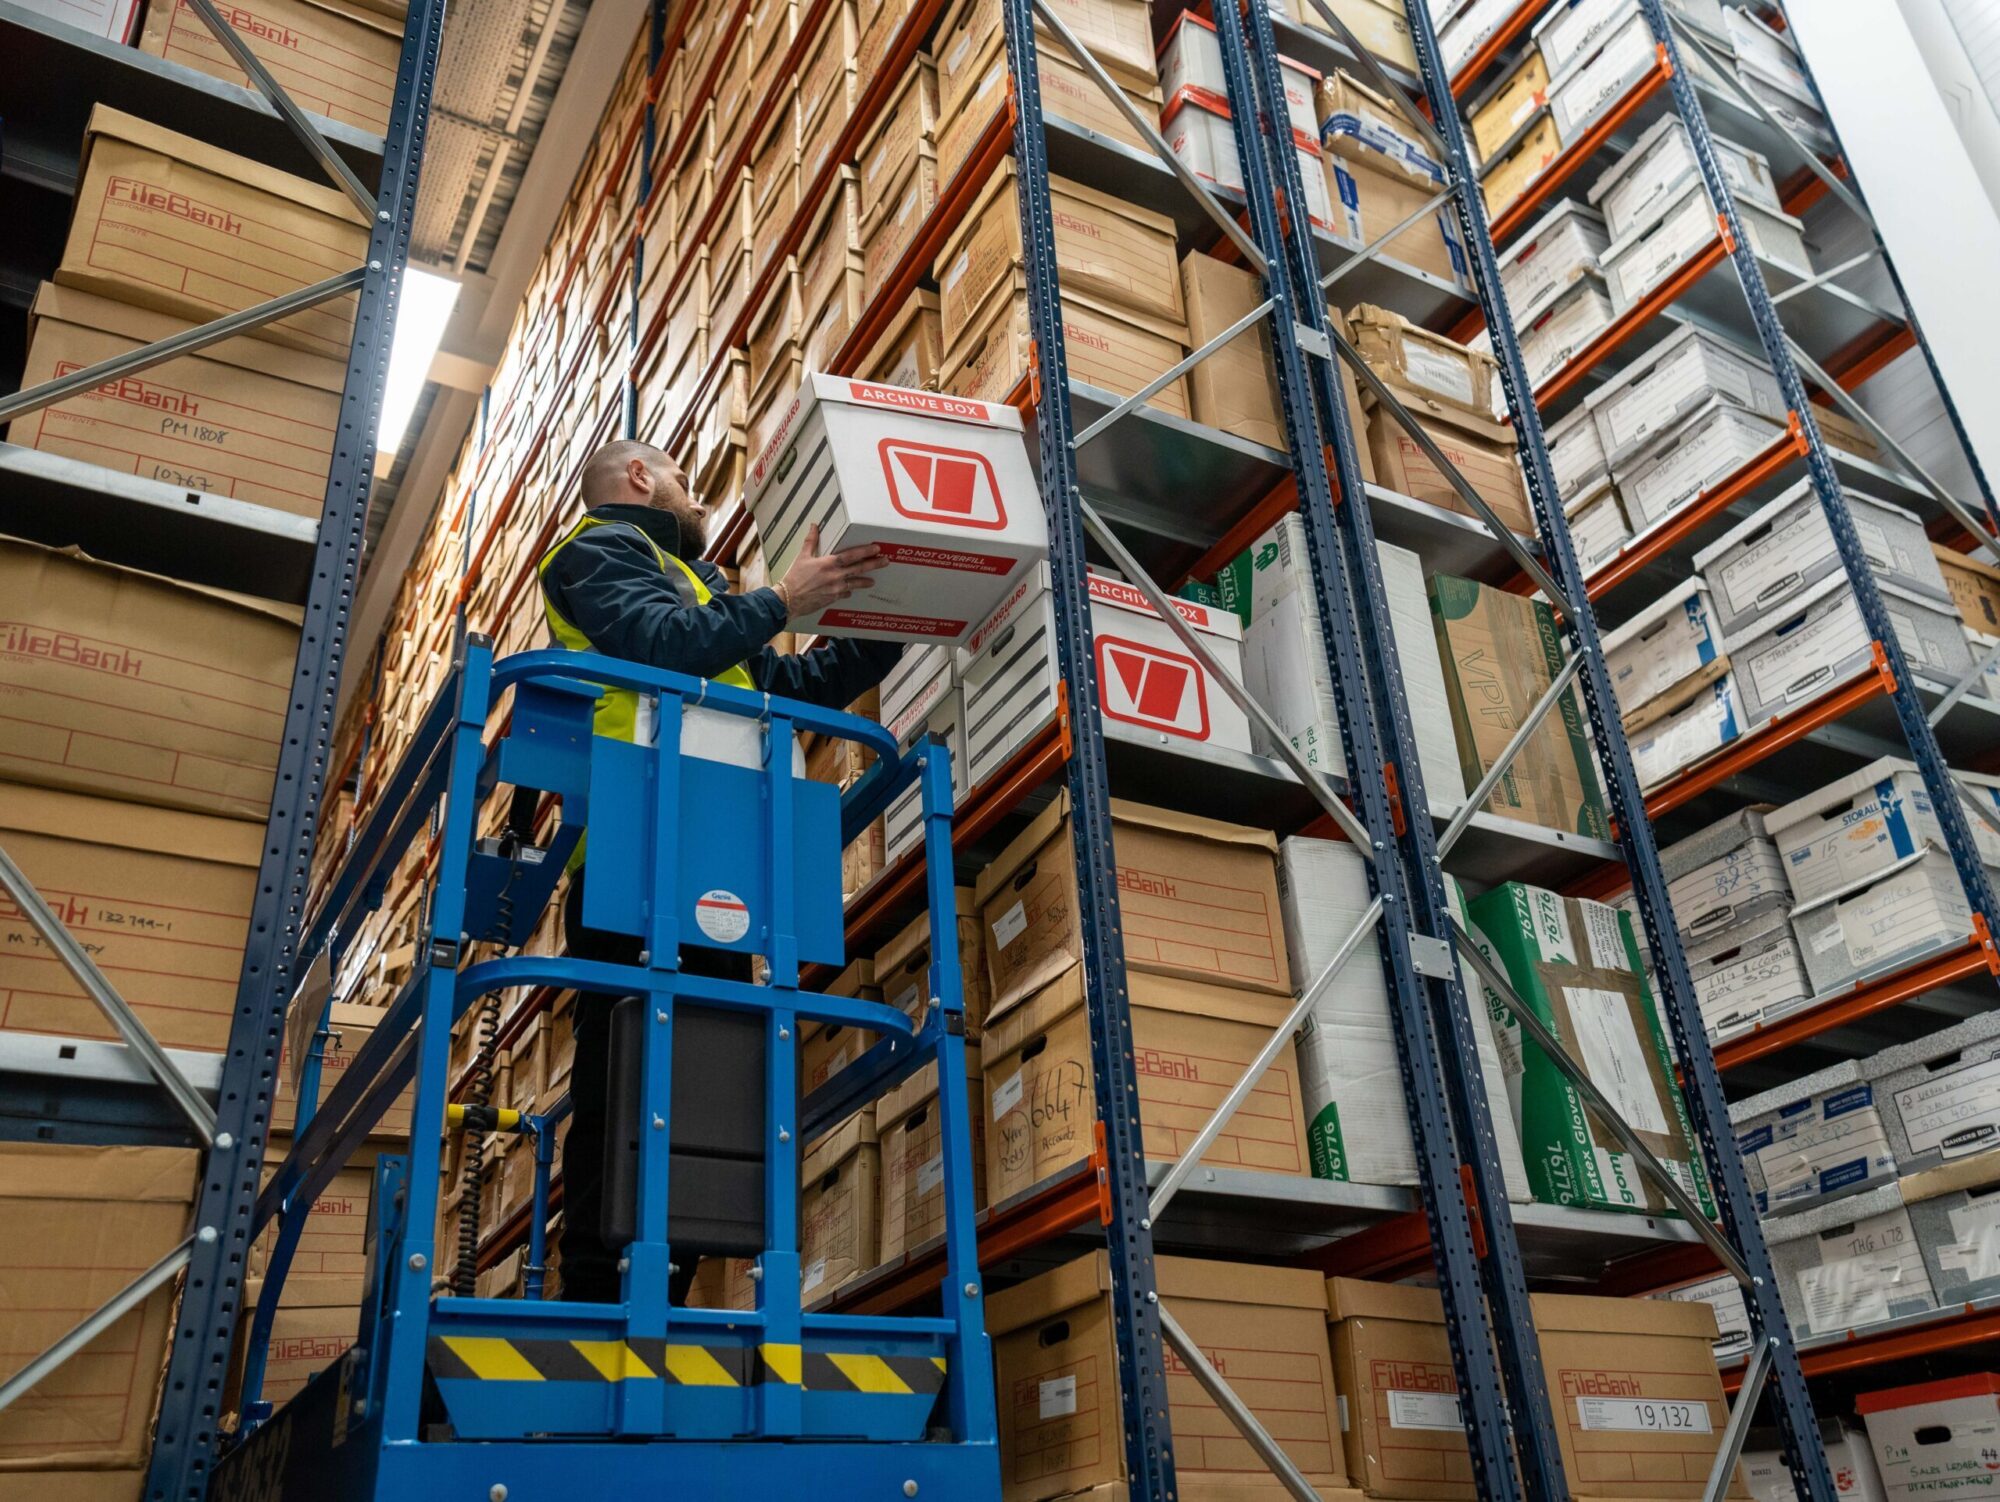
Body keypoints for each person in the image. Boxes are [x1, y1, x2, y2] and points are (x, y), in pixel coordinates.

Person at [536, 438, 898, 1304]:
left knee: (713, 1072)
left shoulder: (700, 595)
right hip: (637, 840)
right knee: (627, 1070)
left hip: (718, 848)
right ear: (638, 479)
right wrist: (781, 597)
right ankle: (595, 1289)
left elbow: (795, 682)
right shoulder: (595, 550)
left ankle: (667, 1280)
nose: (698, 501)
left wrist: (908, 615)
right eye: (688, 483)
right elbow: (660, 645)